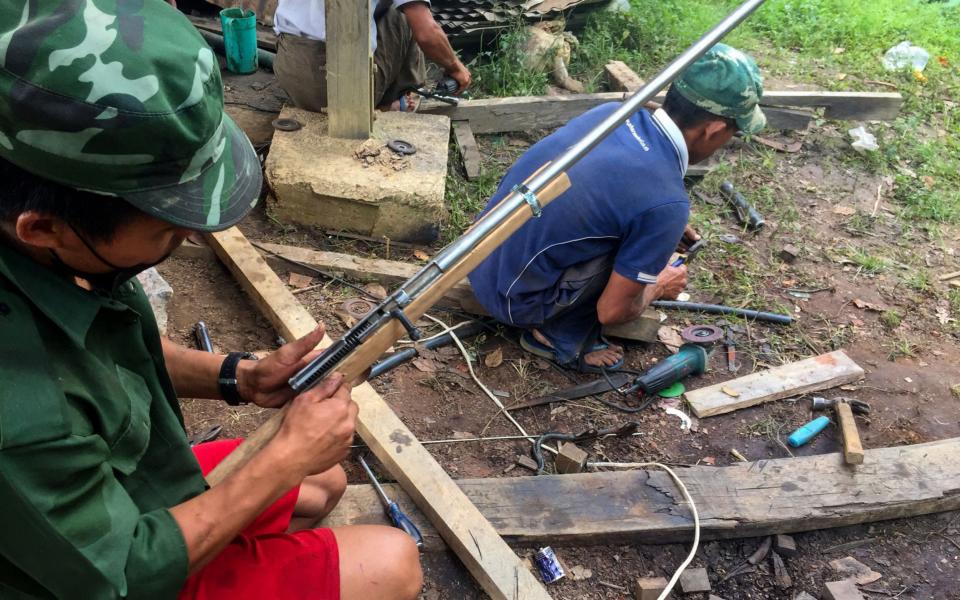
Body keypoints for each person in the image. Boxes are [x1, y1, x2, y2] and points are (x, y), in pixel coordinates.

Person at [0, 2, 421, 599]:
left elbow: (104, 346)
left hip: (113, 488)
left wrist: (240, 378)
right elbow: (119, 576)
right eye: (168, 226)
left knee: (321, 479)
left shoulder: (48, 241)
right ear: (43, 228)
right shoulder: (17, 408)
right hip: (95, 572)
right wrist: (278, 463)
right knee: (392, 563)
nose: (192, 237)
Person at [468, 44, 766, 372]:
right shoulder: (665, 202)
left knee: (632, 231)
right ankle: (559, 338)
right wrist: (659, 285)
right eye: (733, 133)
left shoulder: (615, 113)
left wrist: (661, 227)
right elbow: (612, 312)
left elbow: (604, 188)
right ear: (715, 129)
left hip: (478, 253)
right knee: (632, 275)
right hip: (510, 300)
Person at [273, 0, 471, 112]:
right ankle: (389, 104)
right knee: (407, 13)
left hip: (292, 73)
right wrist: (456, 67)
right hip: (339, 93)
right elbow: (427, 33)